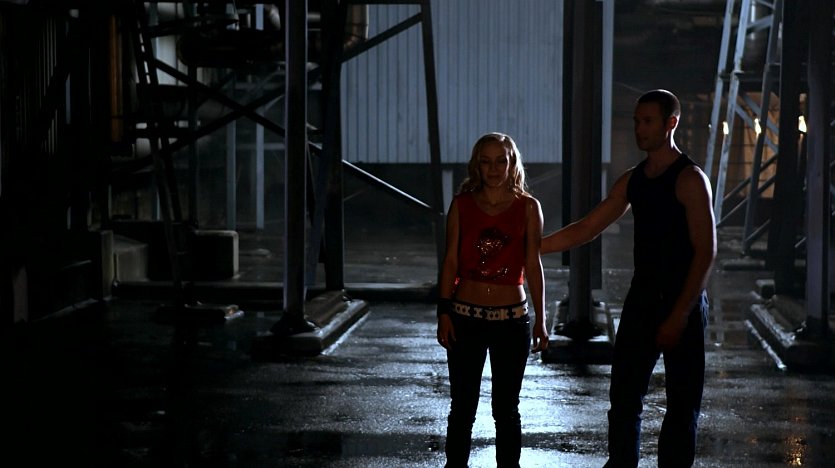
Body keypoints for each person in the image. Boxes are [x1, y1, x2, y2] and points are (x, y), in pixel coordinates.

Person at [541, 89, 716, 467]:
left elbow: (706, 252)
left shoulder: (689, 179)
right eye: (637, 121)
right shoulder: (633, 180)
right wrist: (535, 247)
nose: (639, 129)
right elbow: (588, 227)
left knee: (682, 406)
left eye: (647, 121)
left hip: (683, 302)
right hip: (642, 300)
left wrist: (680, 314)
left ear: (671, 123)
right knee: (623, 398)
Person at [436, 132, 549, 468]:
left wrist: (542, 319)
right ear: (477, 165)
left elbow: (533, 265)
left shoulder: (528, 208)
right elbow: (450, 261)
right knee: (462, 407)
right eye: (486, 162)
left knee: (506, 409)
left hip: (511, 321)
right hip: (464, 317)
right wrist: (443, 312)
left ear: (512, 164)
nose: (494, 168)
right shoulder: (461, 205)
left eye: (501, 161)